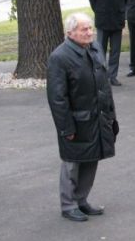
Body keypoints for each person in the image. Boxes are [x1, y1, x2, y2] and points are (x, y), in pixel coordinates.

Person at [46, 13, 118, 222]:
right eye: (84, 29)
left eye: (90, 28)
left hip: (97, 118)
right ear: (70, 33)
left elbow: (104, 86)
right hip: (77, 121)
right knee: (72, 163)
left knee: (91, 159)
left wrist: (111, 115)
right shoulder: (60, 57)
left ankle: (81, 200)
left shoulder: (95, 49)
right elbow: (57, 98)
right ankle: (68, 205)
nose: (90, 32)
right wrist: (66, 128)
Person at [88, 0, 128, 86]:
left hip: (117, 19)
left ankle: (113, 76)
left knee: (115, 50)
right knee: (100, 50)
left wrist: (122, 10)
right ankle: (101, 77)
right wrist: (99, 10)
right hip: (103, 19)